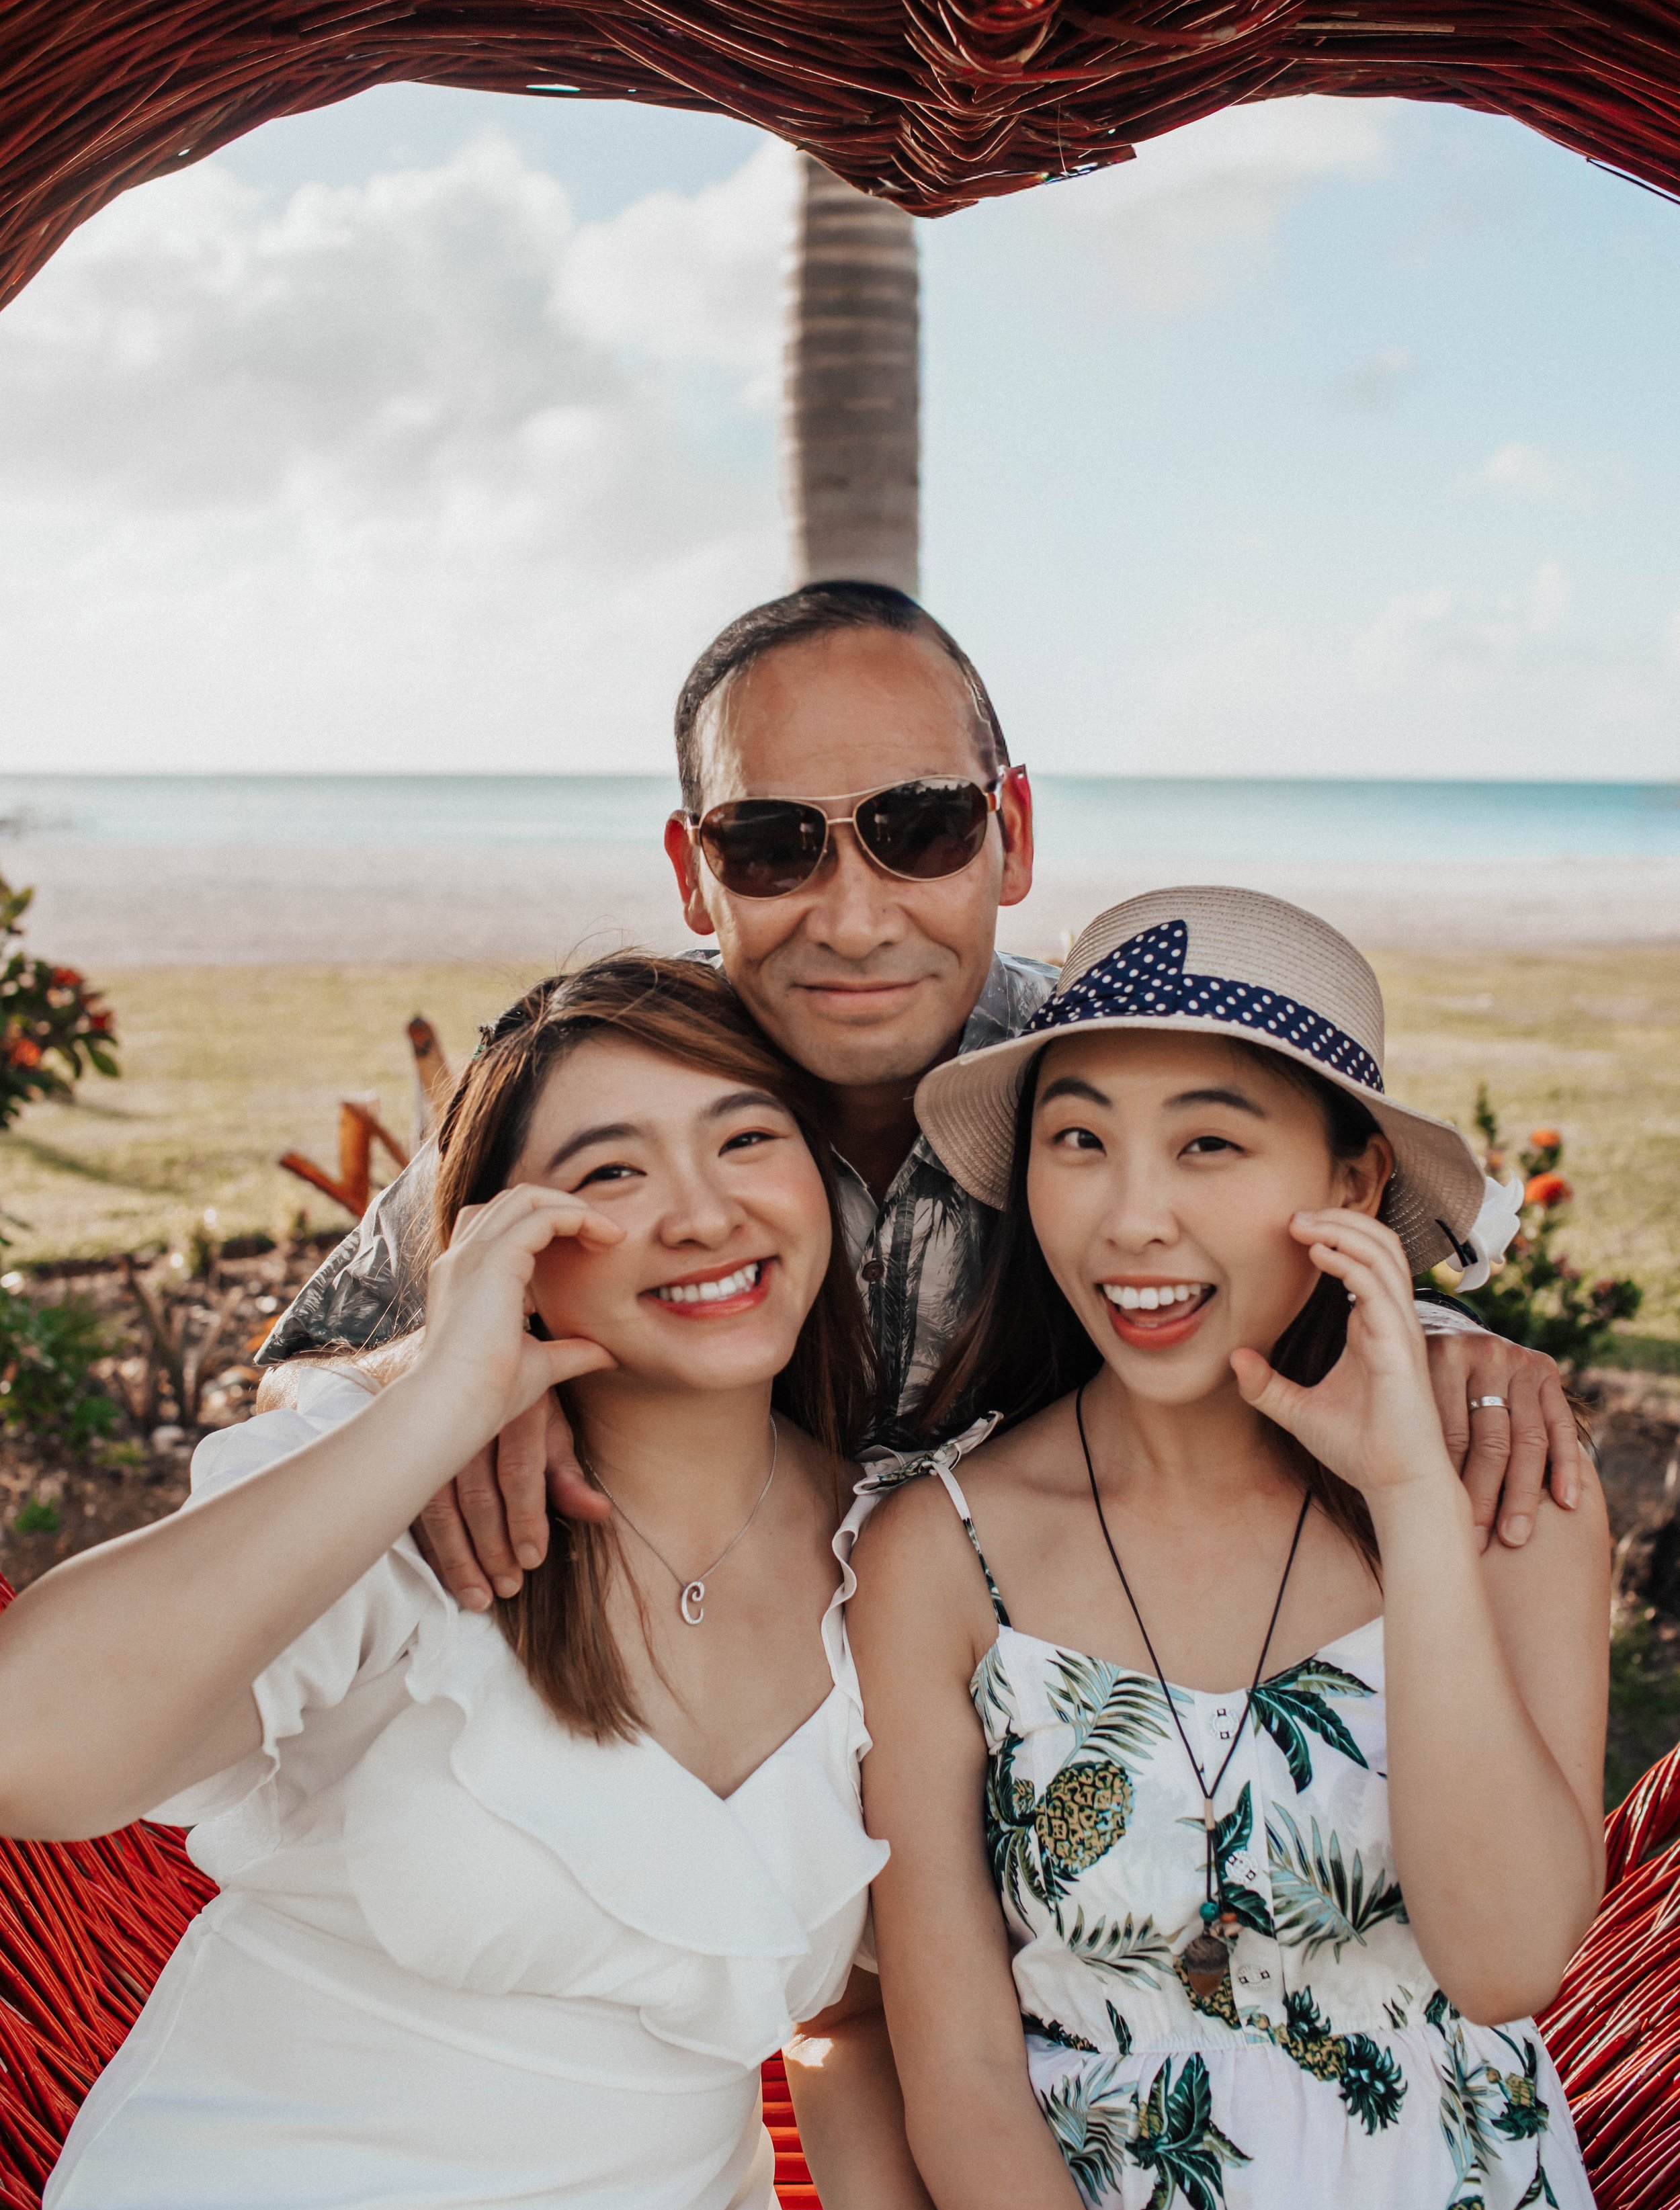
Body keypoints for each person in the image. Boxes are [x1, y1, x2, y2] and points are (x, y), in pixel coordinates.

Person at [0, 957, 992, 2210]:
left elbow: (858, 2027)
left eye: (744, 1138)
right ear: (493, 1242)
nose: (702, 1210)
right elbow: (28, 1754)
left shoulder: (898, 1562)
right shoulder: (377, 1494)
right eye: (609, 1174)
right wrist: (440, 1399)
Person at [259, 584, 1581, 1605]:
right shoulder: (601, 1087)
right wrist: (454, 1378)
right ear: (690, 868)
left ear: (1010, 834)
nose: (849, 919)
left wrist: (1454, 1353)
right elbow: (300, 1385)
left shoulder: (1098, 1062)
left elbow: (1277, 1251)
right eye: (770, 844)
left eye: (921, 827)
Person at [841, 888, 1621, 2210]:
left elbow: (1505, 1955)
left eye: (1208, 1141)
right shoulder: (933, 1558)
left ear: (1352, 1174)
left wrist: (1406, 1503)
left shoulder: (1508, 1492)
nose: (1131, 1216)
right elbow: (953, 2073)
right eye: (1079, 1140)